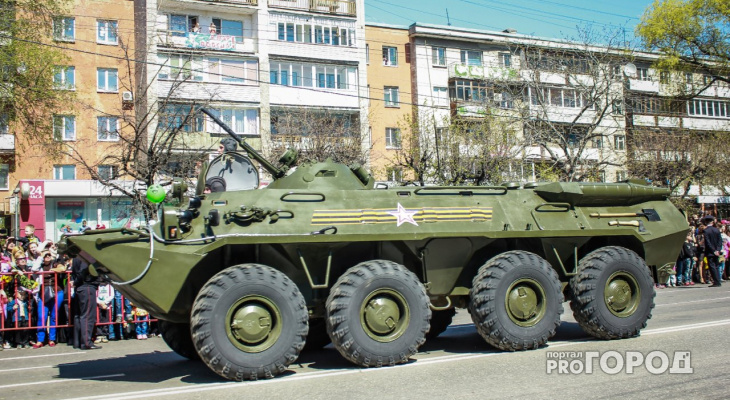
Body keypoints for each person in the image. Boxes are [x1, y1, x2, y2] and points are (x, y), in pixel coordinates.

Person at [33, 250, 66, 348]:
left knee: (54, 316)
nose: (47, 257)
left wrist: (53, 270)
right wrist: (40, 257)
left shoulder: (55, 263)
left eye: (49, 255)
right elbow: (34, 269)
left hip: (57, 292)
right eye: (45, 255)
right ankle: (40, 339)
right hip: (44, 293)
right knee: (41, 316)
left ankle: (52, 338)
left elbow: (62, 268)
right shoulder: (39, 265)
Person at [71, 256, 101, 349]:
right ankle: (86, 343)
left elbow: (75, 272)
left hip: (81, 287)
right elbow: (83, 271)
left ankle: (78, 342)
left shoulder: (76, 257)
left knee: (79, 316)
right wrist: (76, 282)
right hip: (87, 286)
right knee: (88, 316)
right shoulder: (84, 255)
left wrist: (75, 282)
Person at [703, 215, 723, 287]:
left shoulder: (706, 230)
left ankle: (716, 281)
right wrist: (718, 249)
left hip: (710, 252)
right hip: (716, 251)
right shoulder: (716, 230)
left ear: (706, 222)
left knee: (712, 266)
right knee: (717, 266)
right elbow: (720, 241)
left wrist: (713, 250)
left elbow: (707, 242)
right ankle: (718, 280)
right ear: (712, 222)